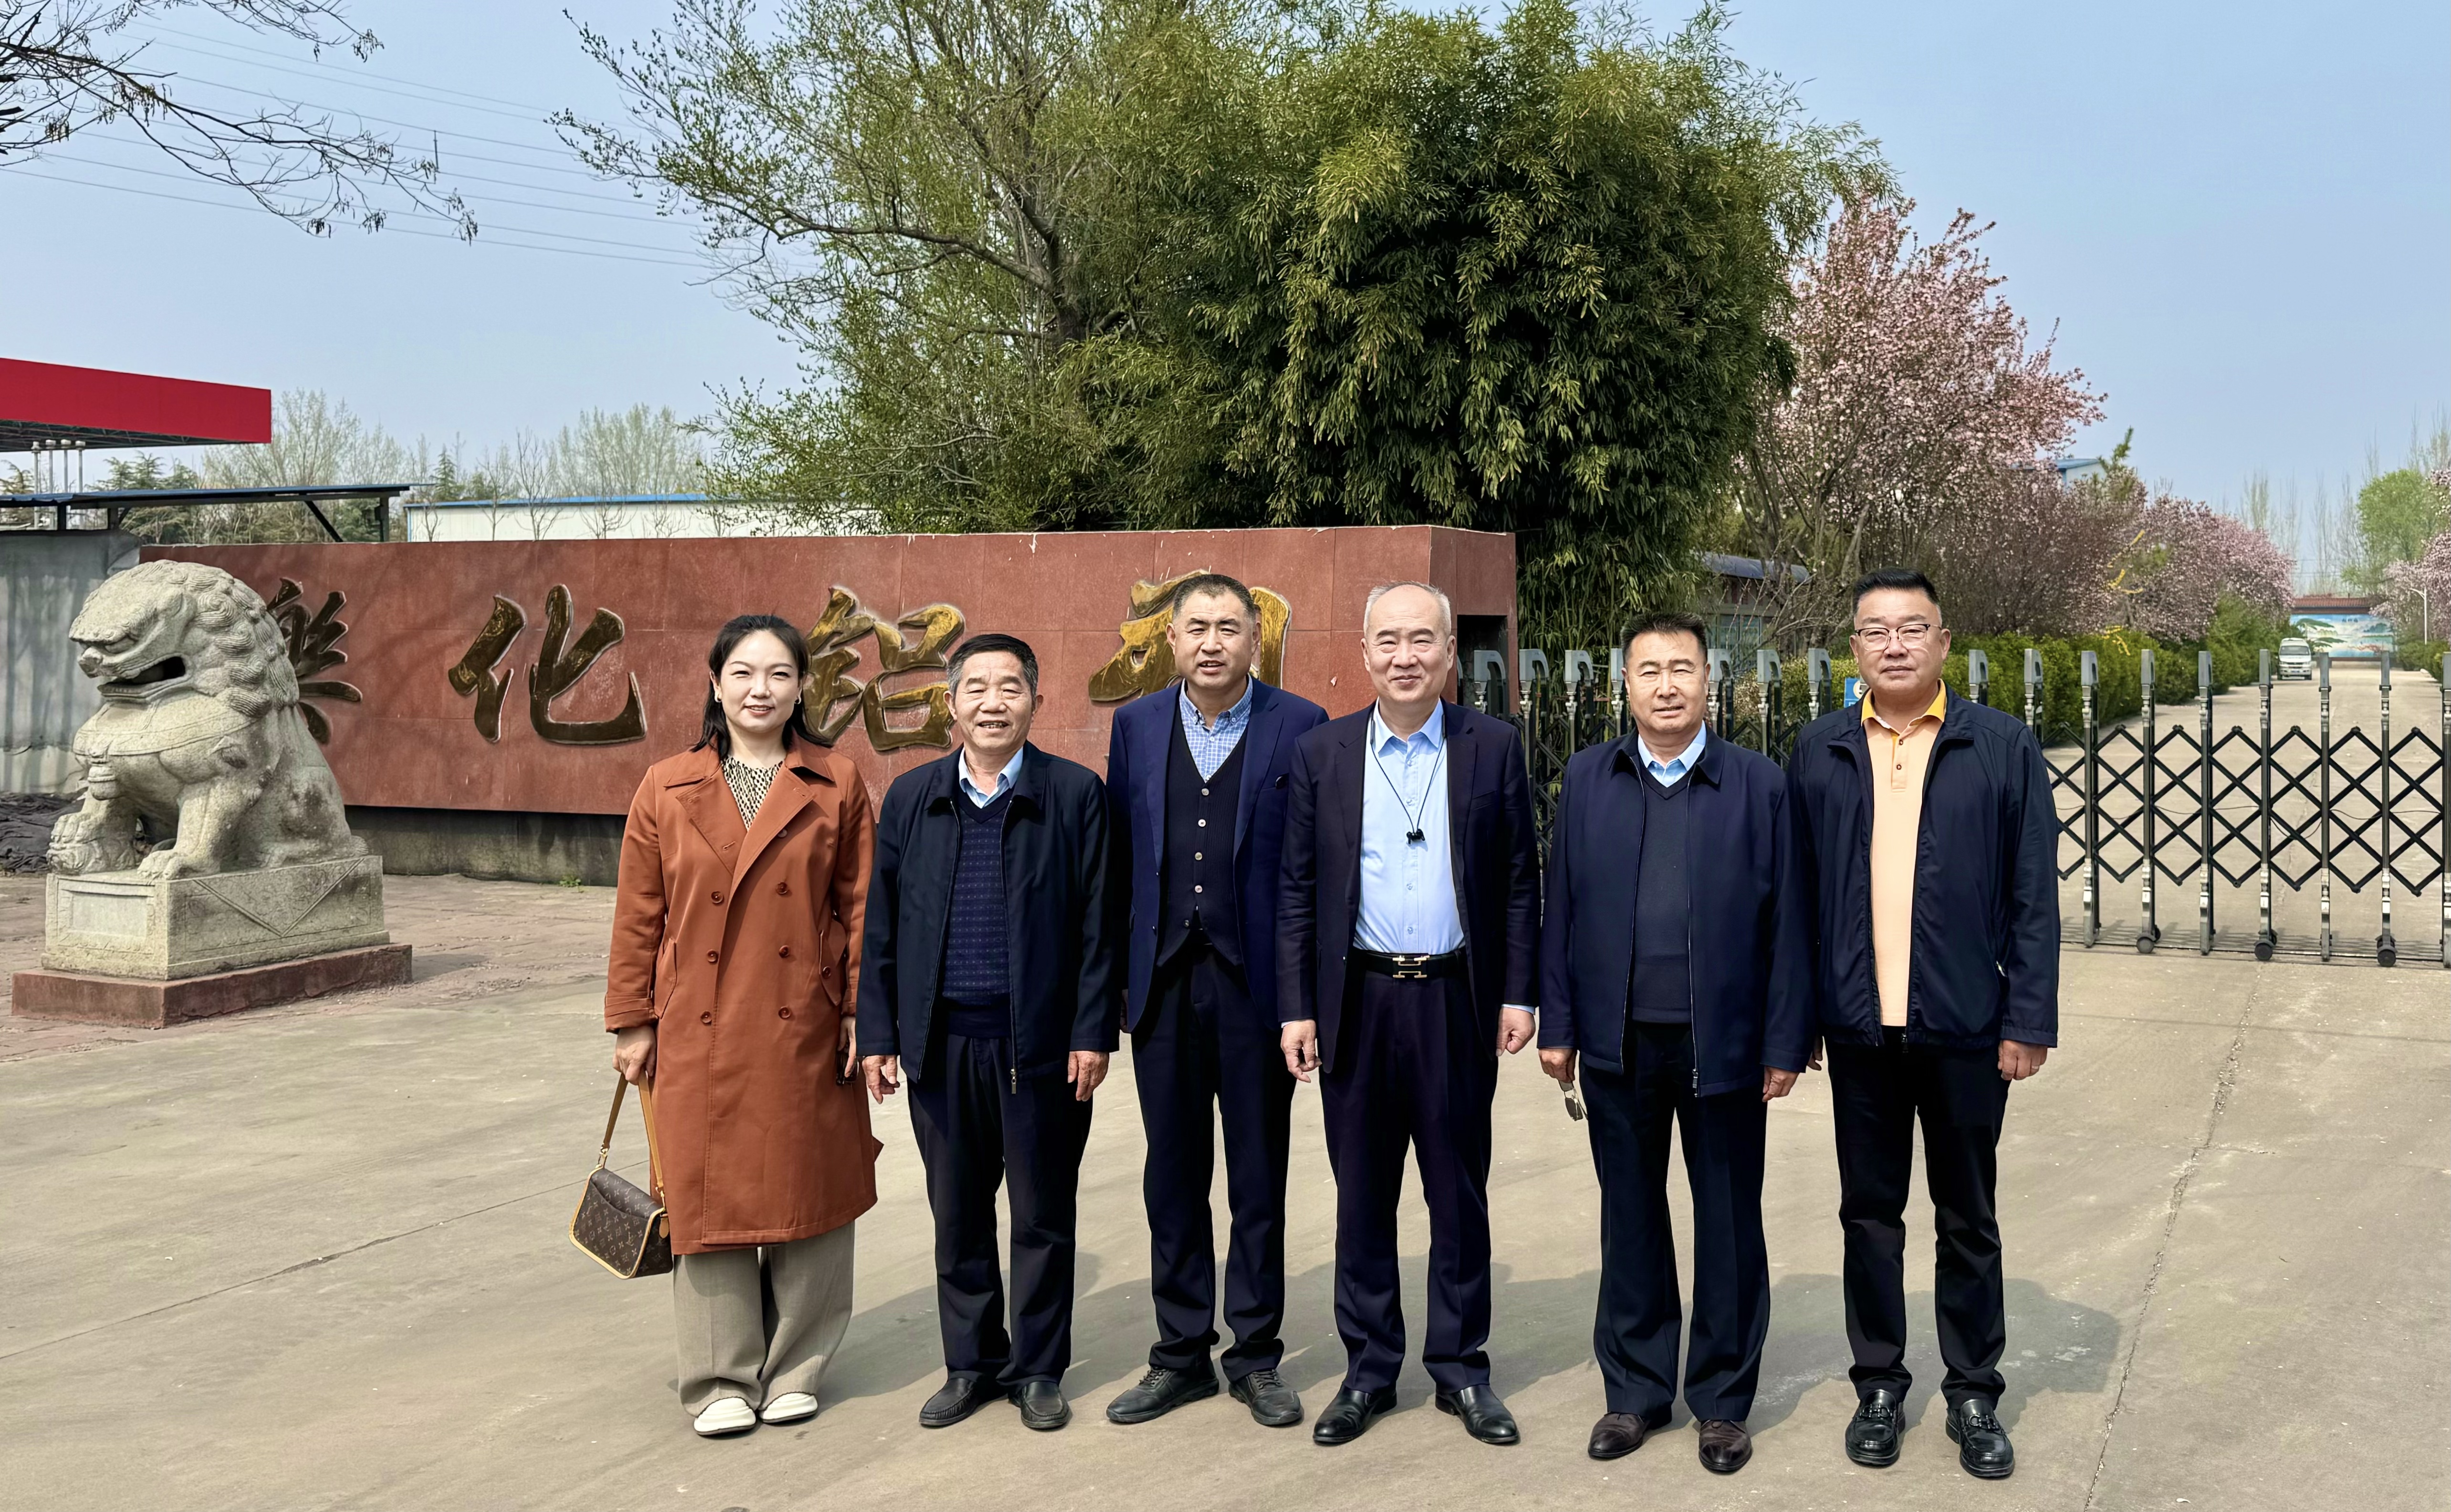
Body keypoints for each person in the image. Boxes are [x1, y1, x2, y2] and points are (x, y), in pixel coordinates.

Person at [1785, 567, 2057, 1481]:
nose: (1894, 644)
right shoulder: (1818, 748)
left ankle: (1972, 1389)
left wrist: (2027, 1015)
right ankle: (1878, 1385)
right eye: (1875, 630)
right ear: (1853, 648)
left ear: (1943, 642)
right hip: (1859, 1029)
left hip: (1966, 1028)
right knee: (1869, 1214)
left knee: (1966, 1216)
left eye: (1912, 627)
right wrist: (1799, 1019)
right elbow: (1796, 896)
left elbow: (2032, 893)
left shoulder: (2000, 744)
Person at [1535, 610, 1813, 1475]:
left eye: (1681, 669)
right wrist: (1559, 1023)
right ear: (1625, 684)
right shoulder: (1590, 777)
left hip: (1722, 1044)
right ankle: (1635, 1390)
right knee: (1629, 1217)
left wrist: (1784, 1039)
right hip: (1616, 1043)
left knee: (1726, 1220)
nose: (1666, 686)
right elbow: (1561, 906)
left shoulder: (1757, 784)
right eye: (1649, 670)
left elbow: (1788, 921)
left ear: (1709, 680)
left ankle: (1723, 1400)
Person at [1277, 581, 1541, 1449]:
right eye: (1387, 640)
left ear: (1449, 651)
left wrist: (1518, 991)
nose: (1405, 656)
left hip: (1455, 999)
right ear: (1363, 652)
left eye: (1422, 639)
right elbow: (1296, 890)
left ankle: (1461, 1367)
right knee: (1361, 1193)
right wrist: (1296, 1007)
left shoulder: (1491, 745)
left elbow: (1518, 879)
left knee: (1456, 1191)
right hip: (1356, 1000)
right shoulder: (1321, 752)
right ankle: (1368, 1369)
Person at [603, 614, 878, 1438]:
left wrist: (862, 1011)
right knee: (704, 1196)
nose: (761, 690)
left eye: (779, 674)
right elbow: (638, 913)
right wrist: (631, 1020)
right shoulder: (666, 784)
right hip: (696, 1023)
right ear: (715, 684)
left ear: (802, 687)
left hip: (805, 1020)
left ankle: (797, 1365)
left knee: (808, 1187)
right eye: (744, 674)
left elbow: (863, 906)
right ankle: (719, 1375)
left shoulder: (836, 779)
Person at [857, 632, 1117, 1434]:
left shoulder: (1074, 793)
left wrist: (1092, 1031)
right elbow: (882, 925)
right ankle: (970, 1363)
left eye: (1010, 687)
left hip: (1039, 1047)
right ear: (950, 702)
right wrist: (878, 1033)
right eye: (976, 687)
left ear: (1036, 701)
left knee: (1041, 1213)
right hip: (941, 1046)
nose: (992, 702)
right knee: (958, 1212)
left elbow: (1098, 925)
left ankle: (1038, 1369)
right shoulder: (913, 797)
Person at [1102, 573, 1327, 1430]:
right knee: (1172, 1173)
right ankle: (1180, 1352)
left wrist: (1303, 996)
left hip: (1255, 987)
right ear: (1170, 639)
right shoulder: (1135, 727)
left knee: (1258, 1176)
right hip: (1162, 982)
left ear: (1253, 638)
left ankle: (1256, 1354)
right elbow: (1121, 859)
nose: (1210, 642)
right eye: (1195, 626)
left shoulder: (1298, 723)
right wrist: (1116, 985)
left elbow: (1309, 868)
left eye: (1228, 627)